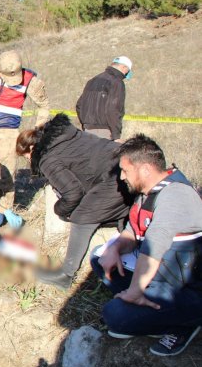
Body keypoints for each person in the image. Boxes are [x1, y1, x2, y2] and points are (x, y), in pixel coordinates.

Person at [91, 135, 202, 357]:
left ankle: (185, 323)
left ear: (144, 169)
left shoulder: (176, 195)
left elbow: (155, 245)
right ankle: (152, 312)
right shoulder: (148, 194)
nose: (122, 177)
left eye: (125, 170)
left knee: (115, 316)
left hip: (184, 288)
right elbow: (133, 231)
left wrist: (134, 291)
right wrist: (114, 249)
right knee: (99, 259)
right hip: (162, 274)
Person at [15, 114, 132, 289]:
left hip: (114, 178)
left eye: (26, 157)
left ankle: (66, 274)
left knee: (82, 216)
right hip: (127, 165)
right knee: (125, 216)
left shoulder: (47, 159)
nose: (28, 161)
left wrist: (61, 211)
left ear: (32, 148)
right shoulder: (68, 134)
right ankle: (132, 269)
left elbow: (73, 193)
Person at [0, 50, 50, 206]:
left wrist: (37, 131)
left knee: (6, 171)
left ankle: (6, 207)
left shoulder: (30, 80)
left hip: (8, 131)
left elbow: (44, 105)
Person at [75, 56, 133, 141]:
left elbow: (79, 105)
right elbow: (113, 109)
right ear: (124, 67)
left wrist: (85, 123)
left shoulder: (92, 80)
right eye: (127, 72)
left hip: (87, 131)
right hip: (106, 132)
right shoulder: (117, 82)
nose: (126, 75)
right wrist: (116, 135)